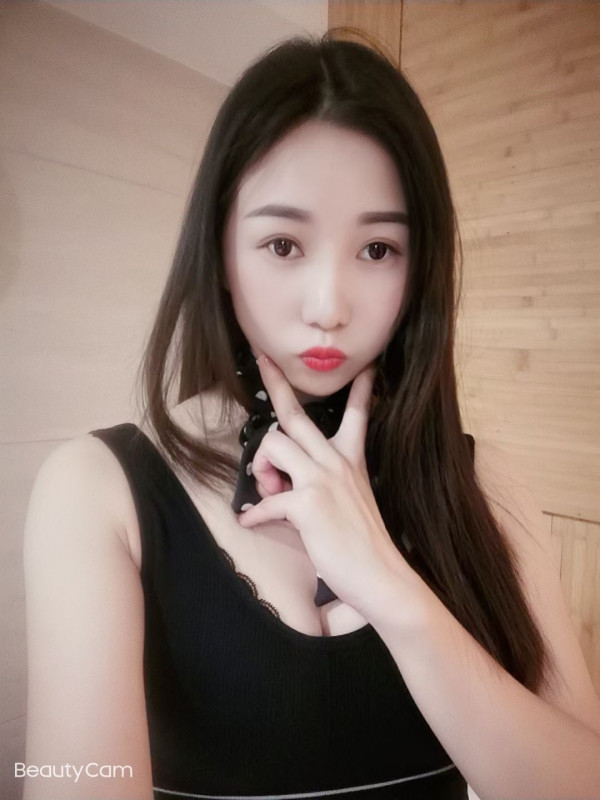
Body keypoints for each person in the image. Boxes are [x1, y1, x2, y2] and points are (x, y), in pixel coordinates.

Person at [22, 31, 600, 800]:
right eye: (284, 243)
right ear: (221, 254)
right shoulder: (97, 491)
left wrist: (390, 587)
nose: (329, 306)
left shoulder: (483, 482)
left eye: (378, 250)